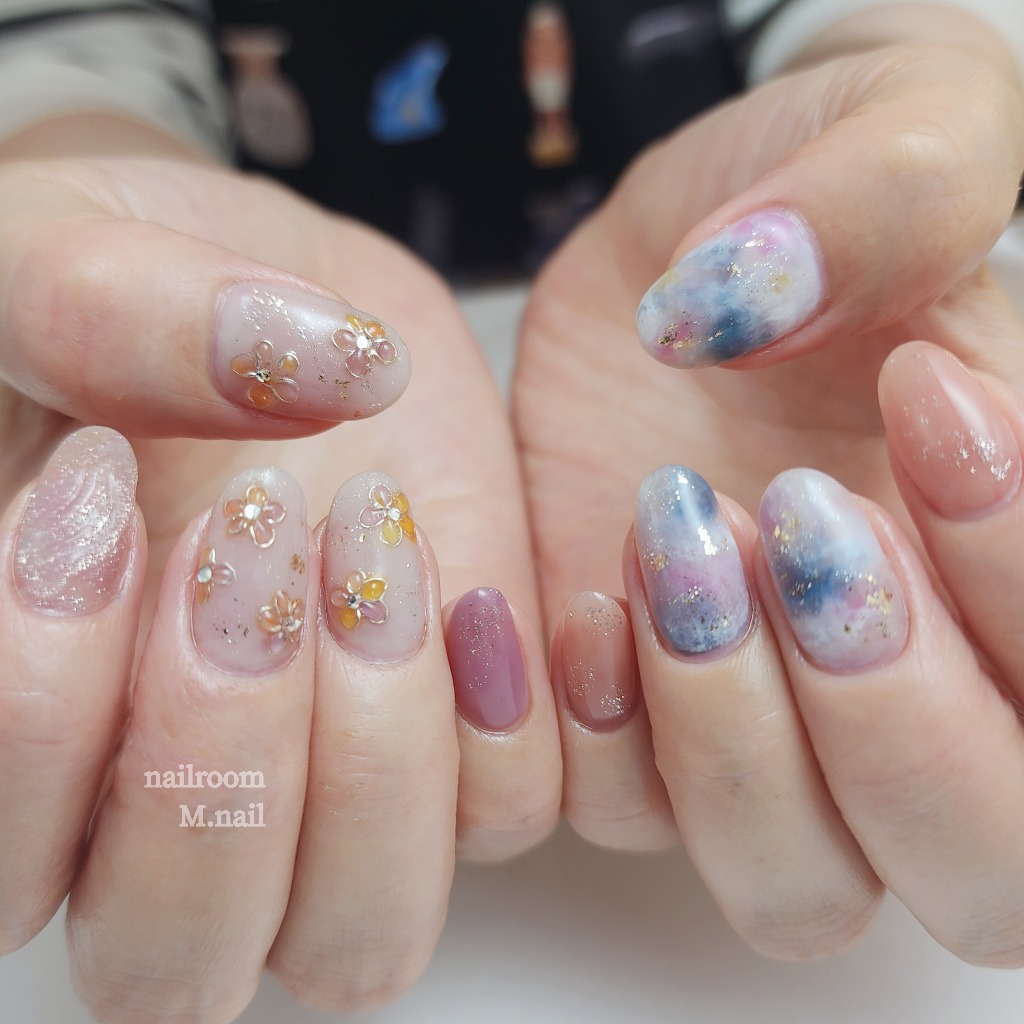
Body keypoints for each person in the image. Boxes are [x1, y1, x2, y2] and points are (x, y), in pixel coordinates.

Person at [0, 1, 1022, 1020]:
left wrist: (903, 114)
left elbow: (866, 37)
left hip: (763, 375)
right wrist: (77, 235)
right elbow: (81, 43)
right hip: (256, 362)